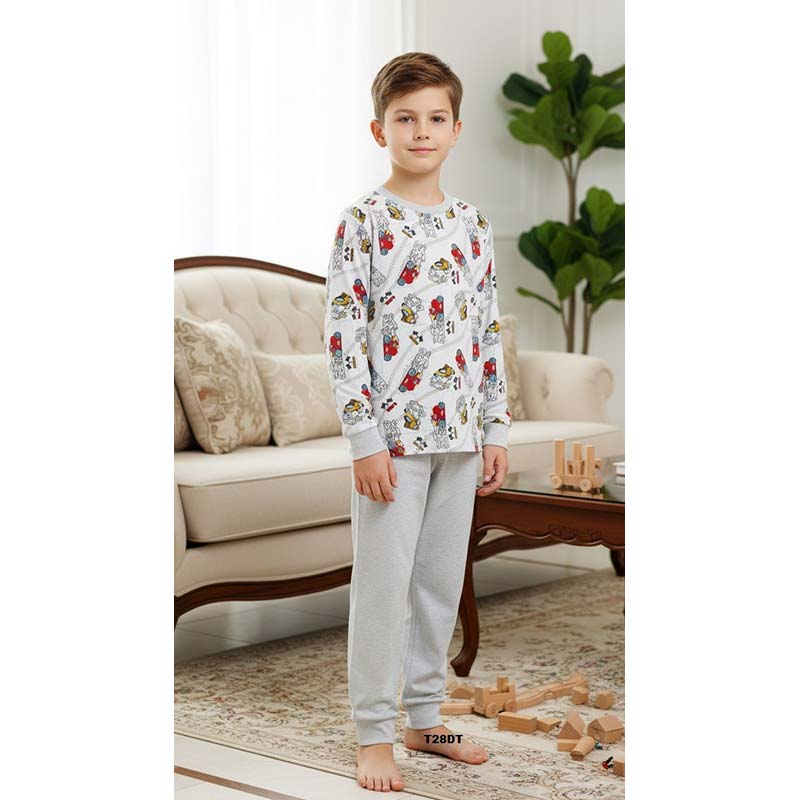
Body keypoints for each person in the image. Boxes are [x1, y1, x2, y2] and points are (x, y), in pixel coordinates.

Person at [323, 51, 512, 793]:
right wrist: (363, 439)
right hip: (393, 445)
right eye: (406, 119)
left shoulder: (473, 224)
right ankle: (374, 731)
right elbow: (343, 337)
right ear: (381, 130)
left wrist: (495, 428)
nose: (422, 131)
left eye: (436, 118)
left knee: (438, 582)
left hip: (460, 436)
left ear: (457, 129)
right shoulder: (363, 222)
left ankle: (425, 716)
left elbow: (486, 332)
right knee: (384, 586)